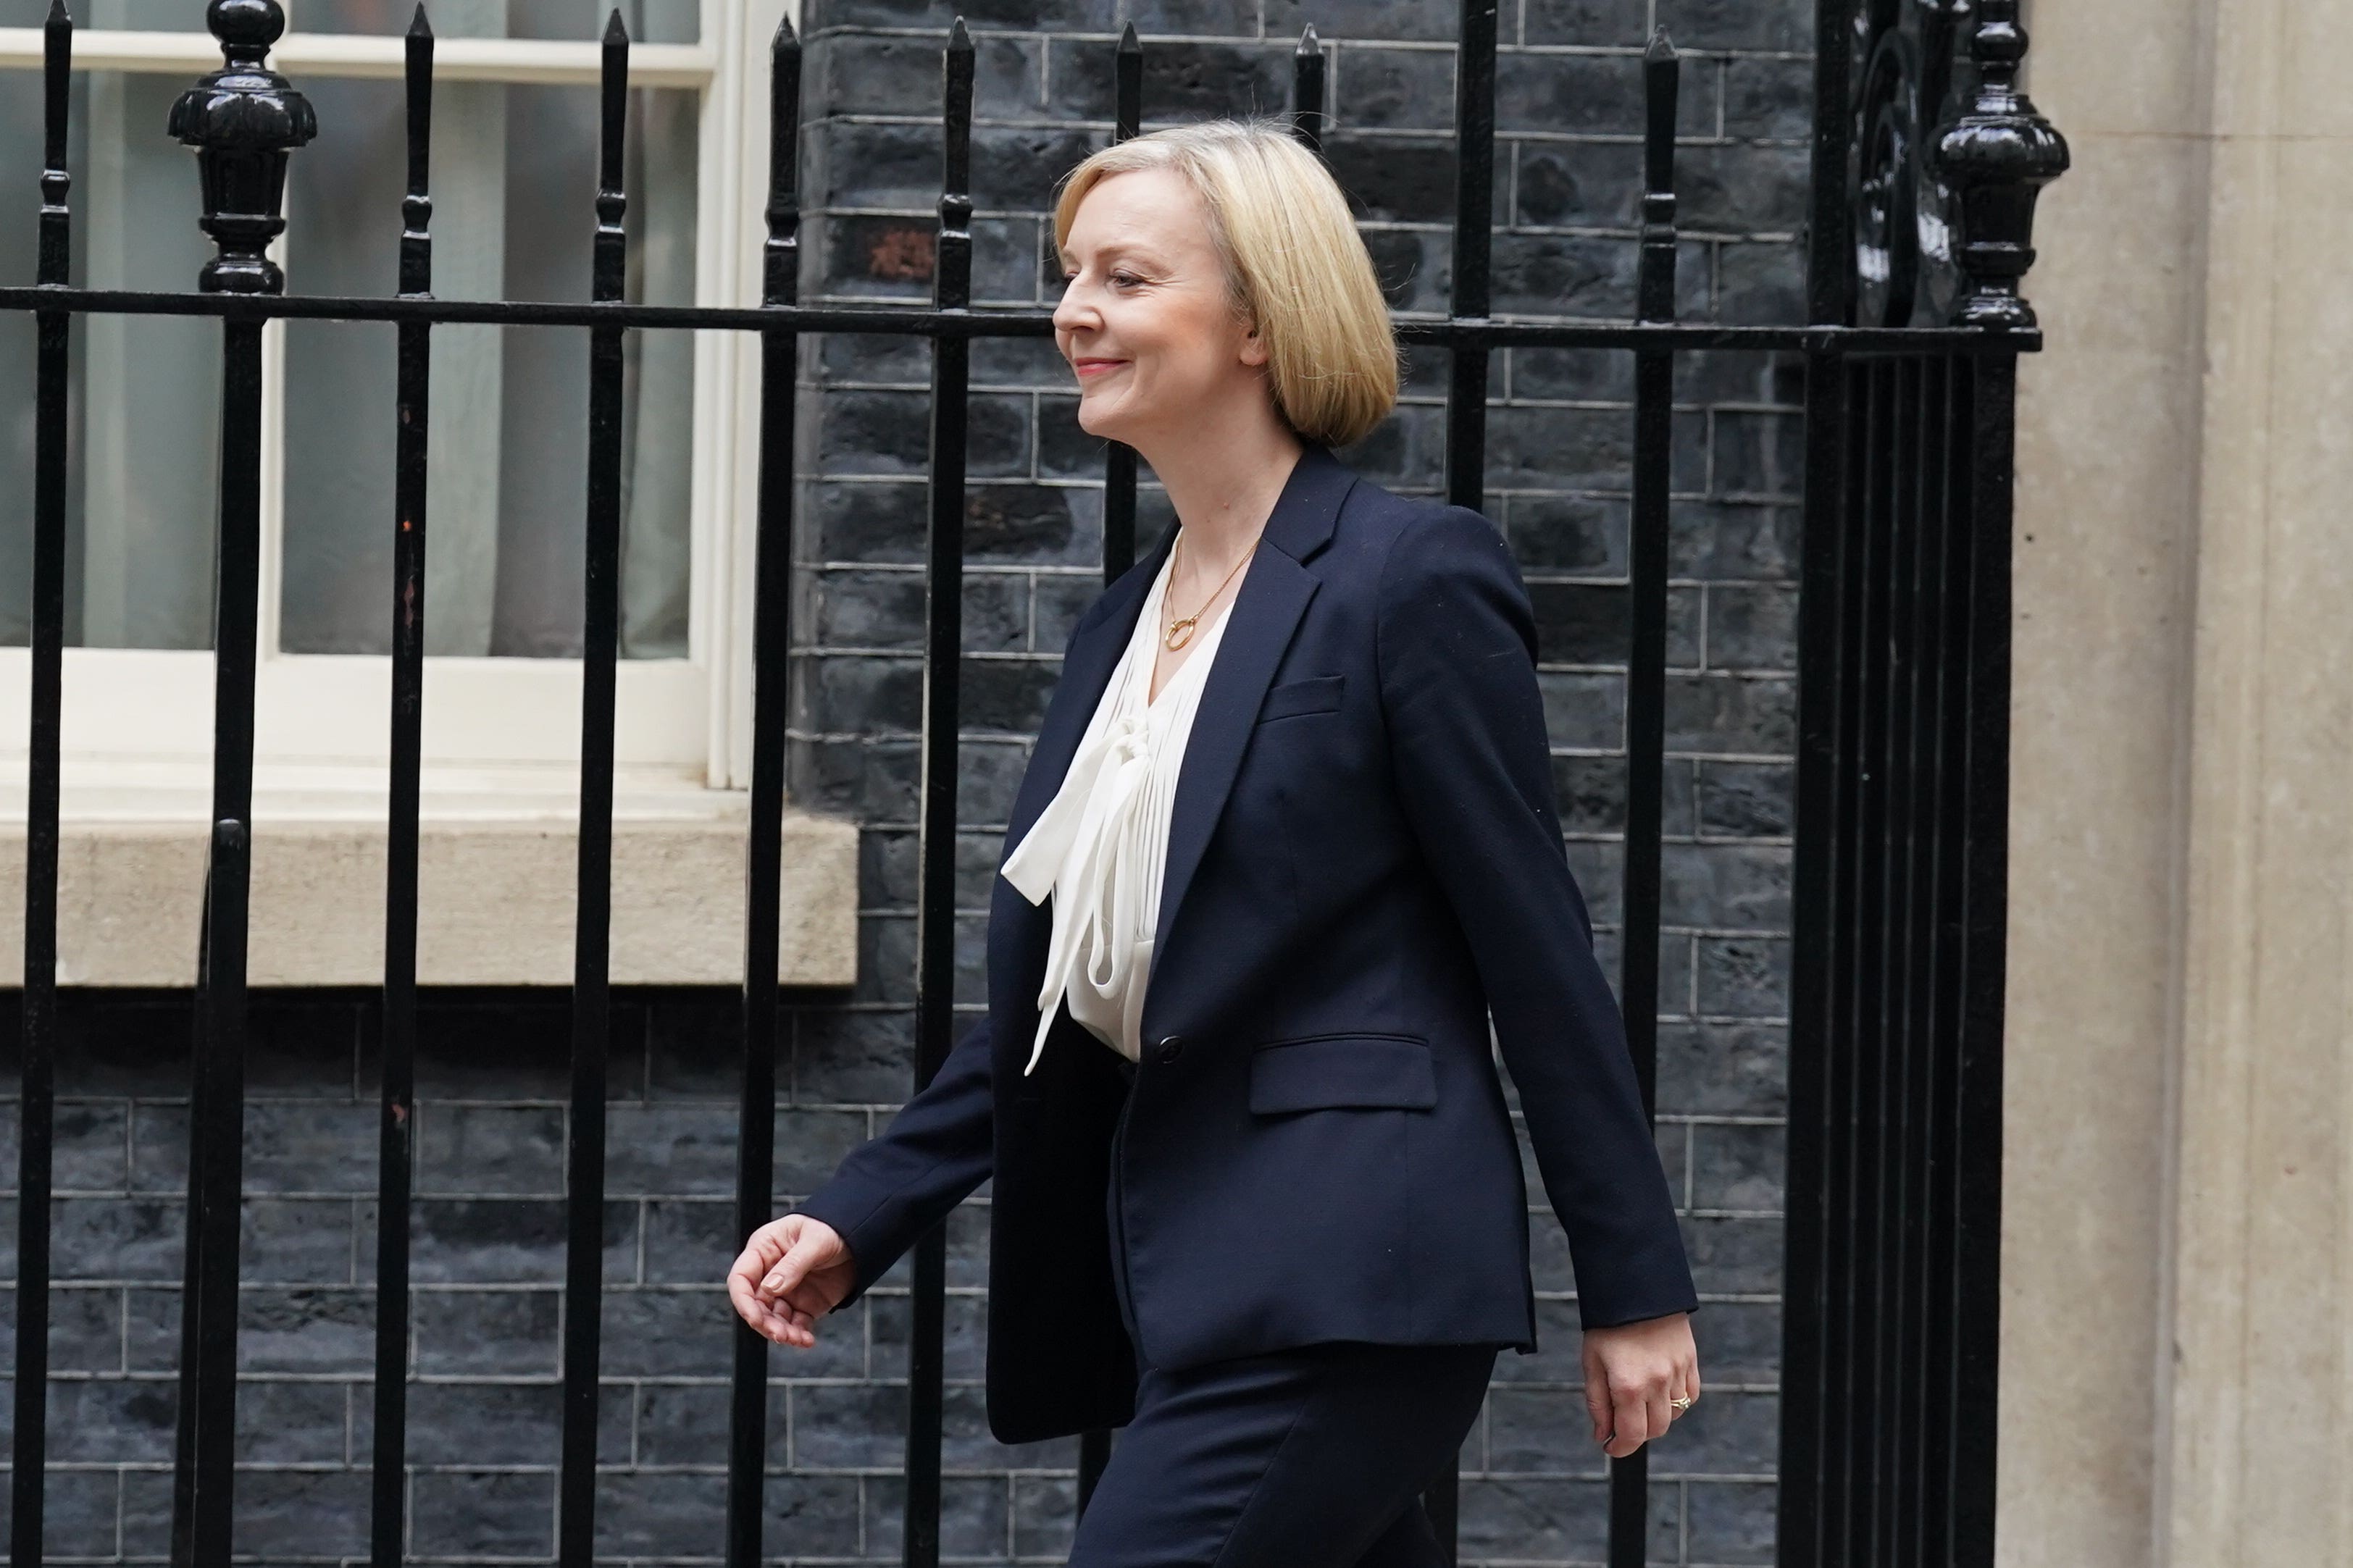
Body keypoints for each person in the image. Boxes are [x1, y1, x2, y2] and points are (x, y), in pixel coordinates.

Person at [728, 117, 1701, 1567]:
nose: (1074, 313)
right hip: (1193, 1280)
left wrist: (1635, 1285)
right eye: (1072, 276)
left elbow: (1534, 947)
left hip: (1346, 1278)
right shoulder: (1129, 620)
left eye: (1125, 278)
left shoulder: (1405, 580)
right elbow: (1073, 991)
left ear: (1258, 319)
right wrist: (865, 1213)